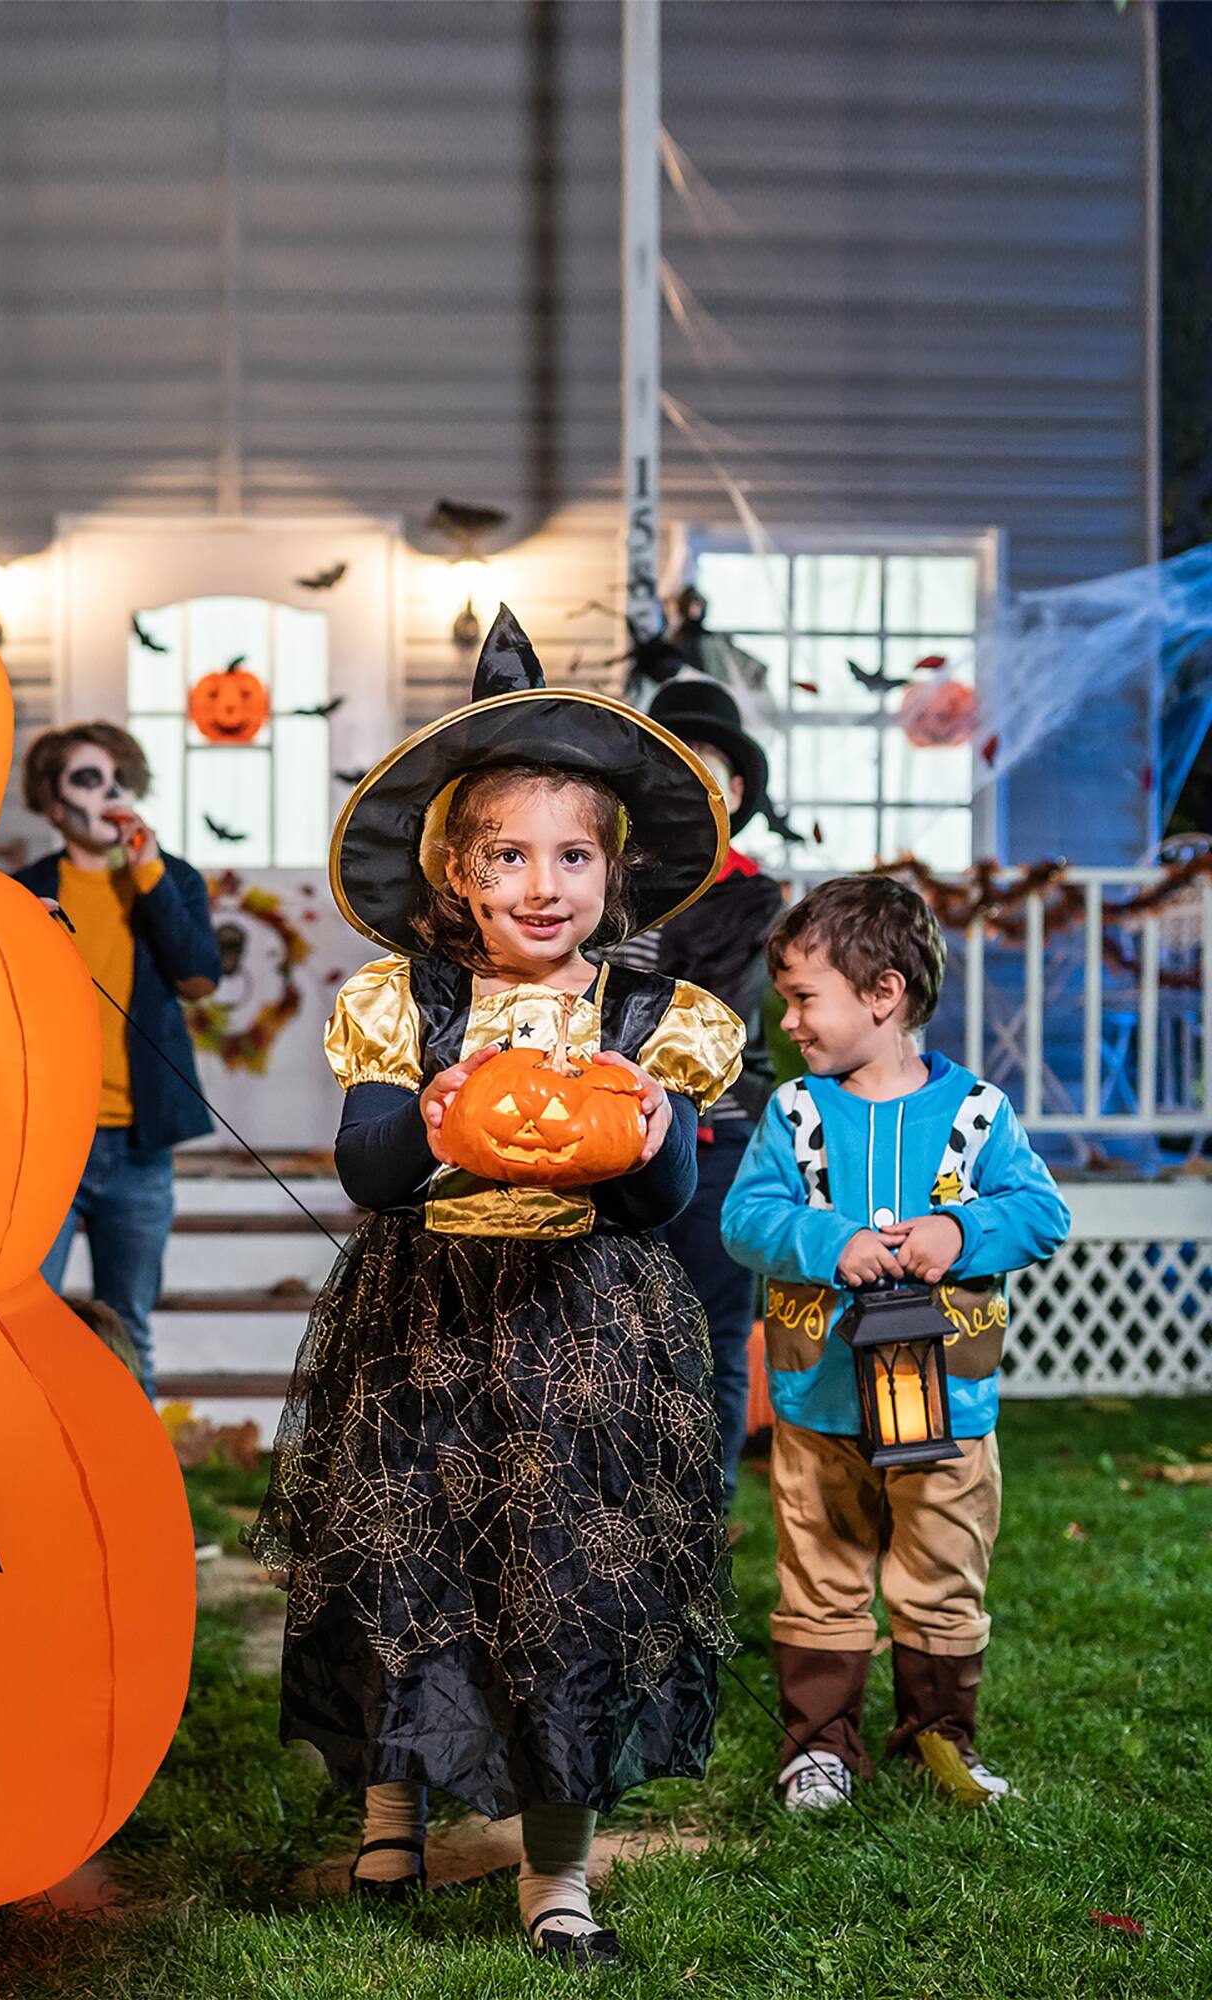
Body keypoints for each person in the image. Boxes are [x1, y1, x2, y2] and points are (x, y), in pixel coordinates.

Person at [251, 607, 746, 1971]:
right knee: (405, 1566)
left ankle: (556, 1870)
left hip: (585, 1334)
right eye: (508, 856)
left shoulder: (652, 1021)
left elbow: (658, 1207)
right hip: (423, 1325)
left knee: (565, 1591)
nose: (542, 883)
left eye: (571, 855)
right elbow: (365, 1168)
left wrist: (656, 1137)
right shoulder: (404, 1004)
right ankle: (391, 1815)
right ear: (457, 874)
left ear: (612, 870)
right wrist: (428, 1120)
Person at [720, 875, 1069, 1814]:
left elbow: (1042, 1213)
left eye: (805, 997)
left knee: (943, 1571)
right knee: (820, 1572)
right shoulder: (795, 1113)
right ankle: (820, 1748)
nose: (790, 1019)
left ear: (883, 994)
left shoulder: (979, 1114)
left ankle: (939, 1739)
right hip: (819, 1405)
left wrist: (961, 1231)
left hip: (949, 1409)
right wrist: (826, 1242)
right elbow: (745, 1219)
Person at [8, 722, 221, 1388]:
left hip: (138, 1146)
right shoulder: (22, 890)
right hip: (47, 1144)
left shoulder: (170, 878)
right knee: (22, 1320)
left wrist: (149, 874)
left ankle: (132, 1454)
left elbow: (198, 978)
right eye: (88, 779)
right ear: (53, 804)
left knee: (128, 1323)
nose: (110, 793)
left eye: (119, 780)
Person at [638, 676, 785, 1509]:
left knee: (713, 1331)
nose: (693, 783)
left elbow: (704, 1019)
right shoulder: (600, 880)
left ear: (732, 793)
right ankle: (623, 1512)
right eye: (674, 764)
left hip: (714, 1137)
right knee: (623, 1328)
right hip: (609, 1134)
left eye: (709, 769)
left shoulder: (750, 895)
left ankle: (702, 1511)